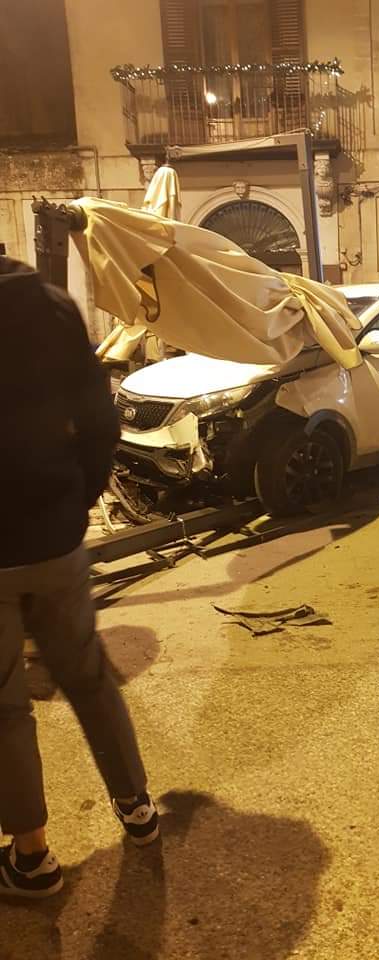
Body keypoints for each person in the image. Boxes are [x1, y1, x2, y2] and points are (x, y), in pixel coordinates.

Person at [0, 256, 158, 899]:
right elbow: (100, 421)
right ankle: (137, 807)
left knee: (4, 708)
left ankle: (32, 858)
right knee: (89, 678)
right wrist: (76, 501)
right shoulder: (52, 306)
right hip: (55, 538)